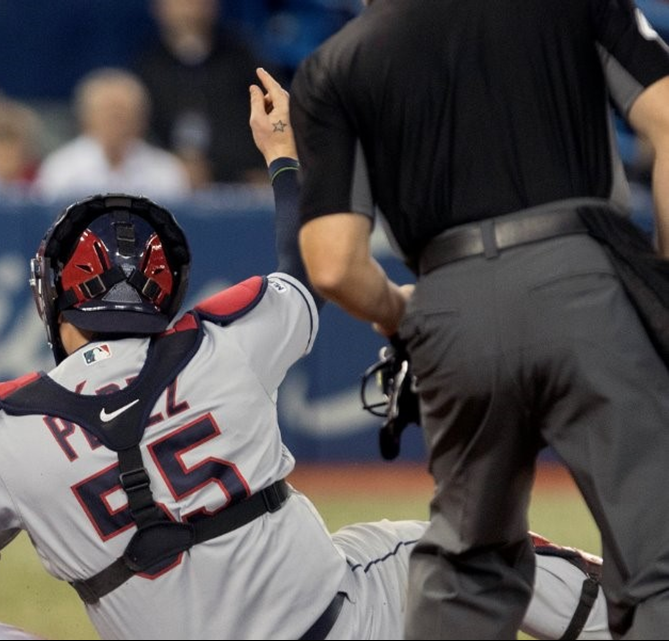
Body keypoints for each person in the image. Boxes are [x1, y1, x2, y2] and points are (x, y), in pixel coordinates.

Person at [0, 69, 610, 640]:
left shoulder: (2, 433)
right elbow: (306, 267)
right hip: (343, 625)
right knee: (477, 548)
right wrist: (282, 156)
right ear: (165, 292)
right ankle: (635, 621)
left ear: (51, 298)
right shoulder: (222, 343)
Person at [286, 1, 669, 637]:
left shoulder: (334, 64)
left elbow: (331, 266)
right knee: (659, 559)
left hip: (449, 301)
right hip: (584, 276)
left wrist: (403, 310)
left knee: (468, 570)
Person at [134, 0, 268, 187]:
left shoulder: (243, 60)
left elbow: (273, 115)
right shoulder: (147, 68)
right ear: (159, 8)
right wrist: (172, 167)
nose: (189, 10)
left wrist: (267, 167)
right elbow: (141, 135)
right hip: (171, 186)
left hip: (243, 184)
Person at [33, 68, 189, 202]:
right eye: (107, 114)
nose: (115, 124)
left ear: (142, 120)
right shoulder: (61, 169)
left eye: (122, 115)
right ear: (86, 119)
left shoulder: (166, 172)